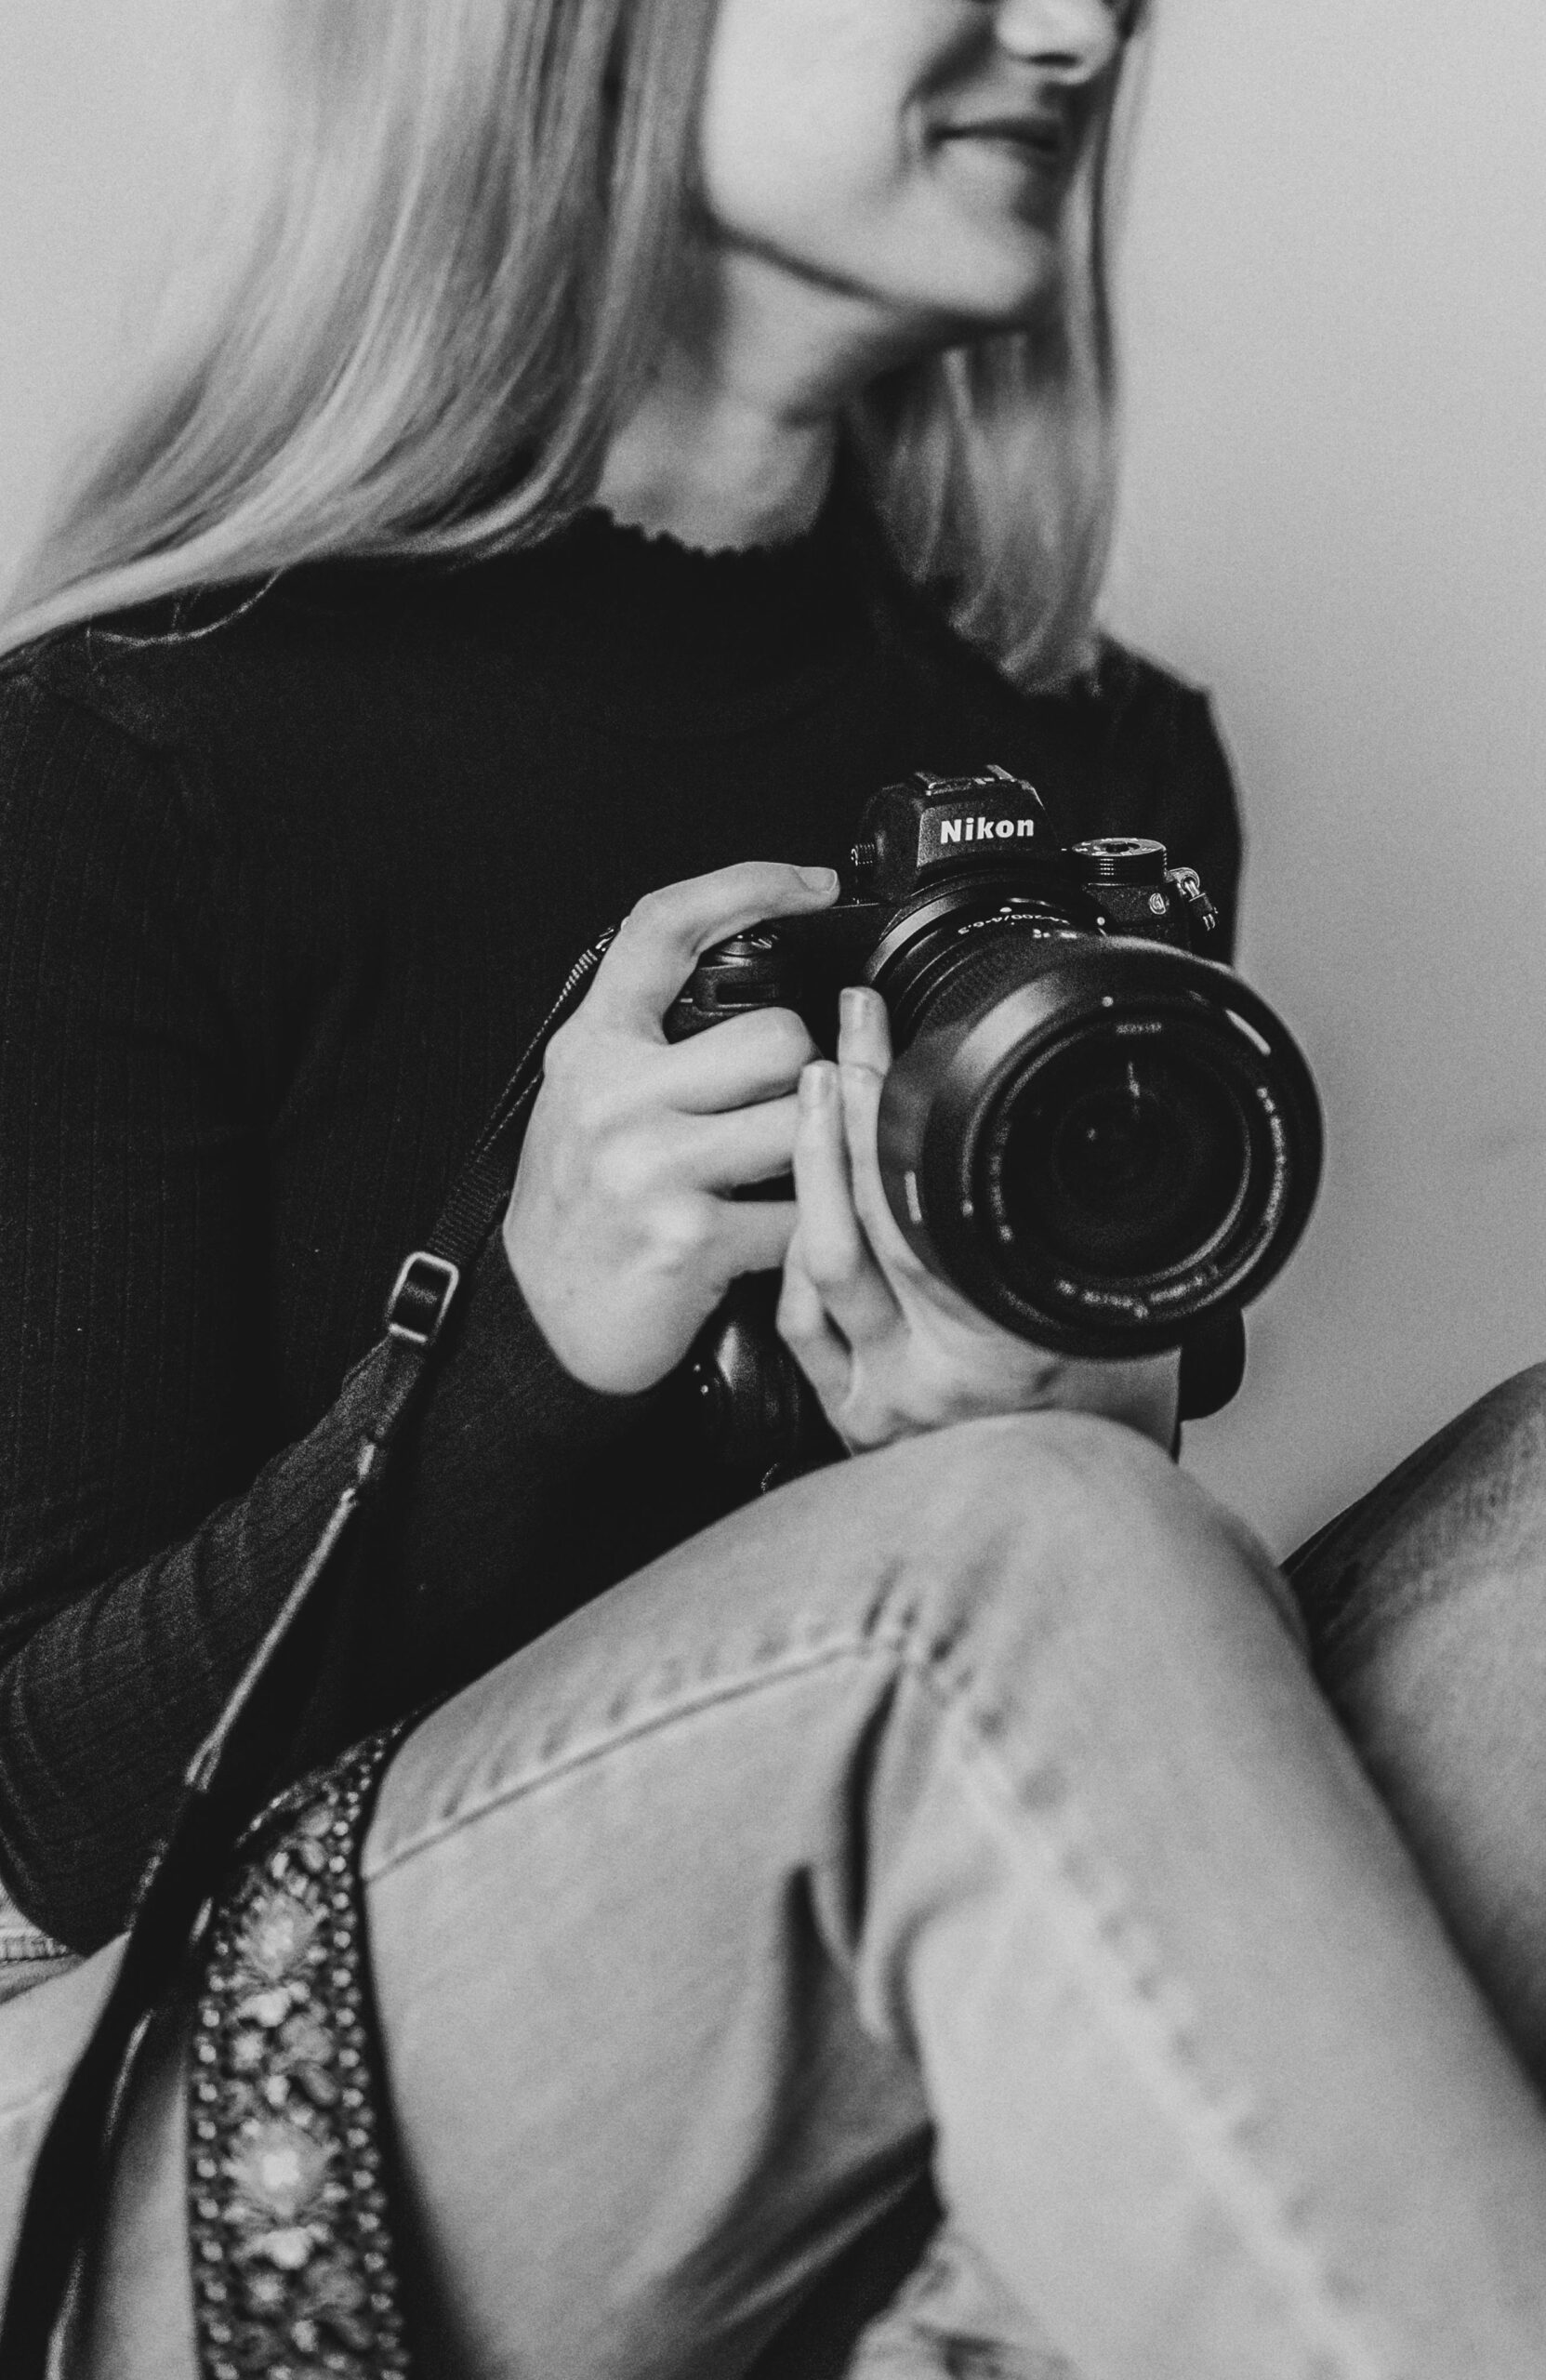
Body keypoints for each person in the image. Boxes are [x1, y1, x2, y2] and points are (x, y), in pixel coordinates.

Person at [1, 1, 1545, 2373]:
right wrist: (520, 1337)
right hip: (189, 2114)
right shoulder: (121, 753)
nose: (1078, 22)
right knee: (1029, 1556)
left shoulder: (1091, 770)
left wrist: (1055, 1423)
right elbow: (49, 1819)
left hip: (819, 2017)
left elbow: (1067, 1693)